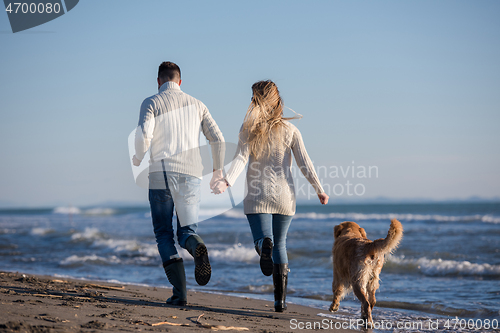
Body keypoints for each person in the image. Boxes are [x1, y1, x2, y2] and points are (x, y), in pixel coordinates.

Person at [211, 80, 329, 312]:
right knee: (281, 245)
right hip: (285, 197)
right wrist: (319, 188)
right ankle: (280, 301)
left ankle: (261, 245)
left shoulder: (249, 129)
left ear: (256, 101)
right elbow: (305, 163)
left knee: (265, 241)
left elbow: (240, 160)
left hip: (258, 194)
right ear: (277, 102)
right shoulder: (291, 130)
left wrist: (227, 181)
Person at [133, 61, 225, 306]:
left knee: (163, 234)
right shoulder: (198, 104)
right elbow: (218, 139)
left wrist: (139, 156)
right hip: (191, 175)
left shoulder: (151, 102)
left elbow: (144, 135)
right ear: (180, 81)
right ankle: (197, 247)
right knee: (187, 231)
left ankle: (180, 294)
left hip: (161, 173)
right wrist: (217, 171)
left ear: (159, 81)